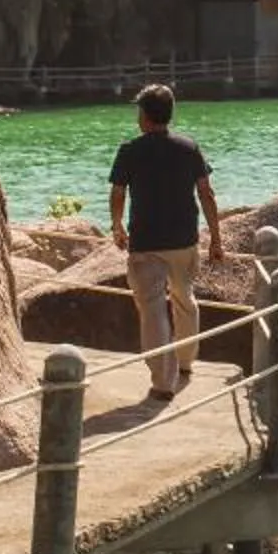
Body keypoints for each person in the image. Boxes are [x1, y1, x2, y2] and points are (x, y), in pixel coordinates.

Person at [108, 82, 228, 402]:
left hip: (146, 243)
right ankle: (186, 363)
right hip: (184, 241)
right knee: (184, 298)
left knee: (152, 310)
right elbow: (206, 193)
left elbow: (118, 193)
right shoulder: (189, 148)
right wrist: (216, 238)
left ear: (145, 116)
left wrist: (117, 226)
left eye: (139, 110)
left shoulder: (129, 151)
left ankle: (163, 381)